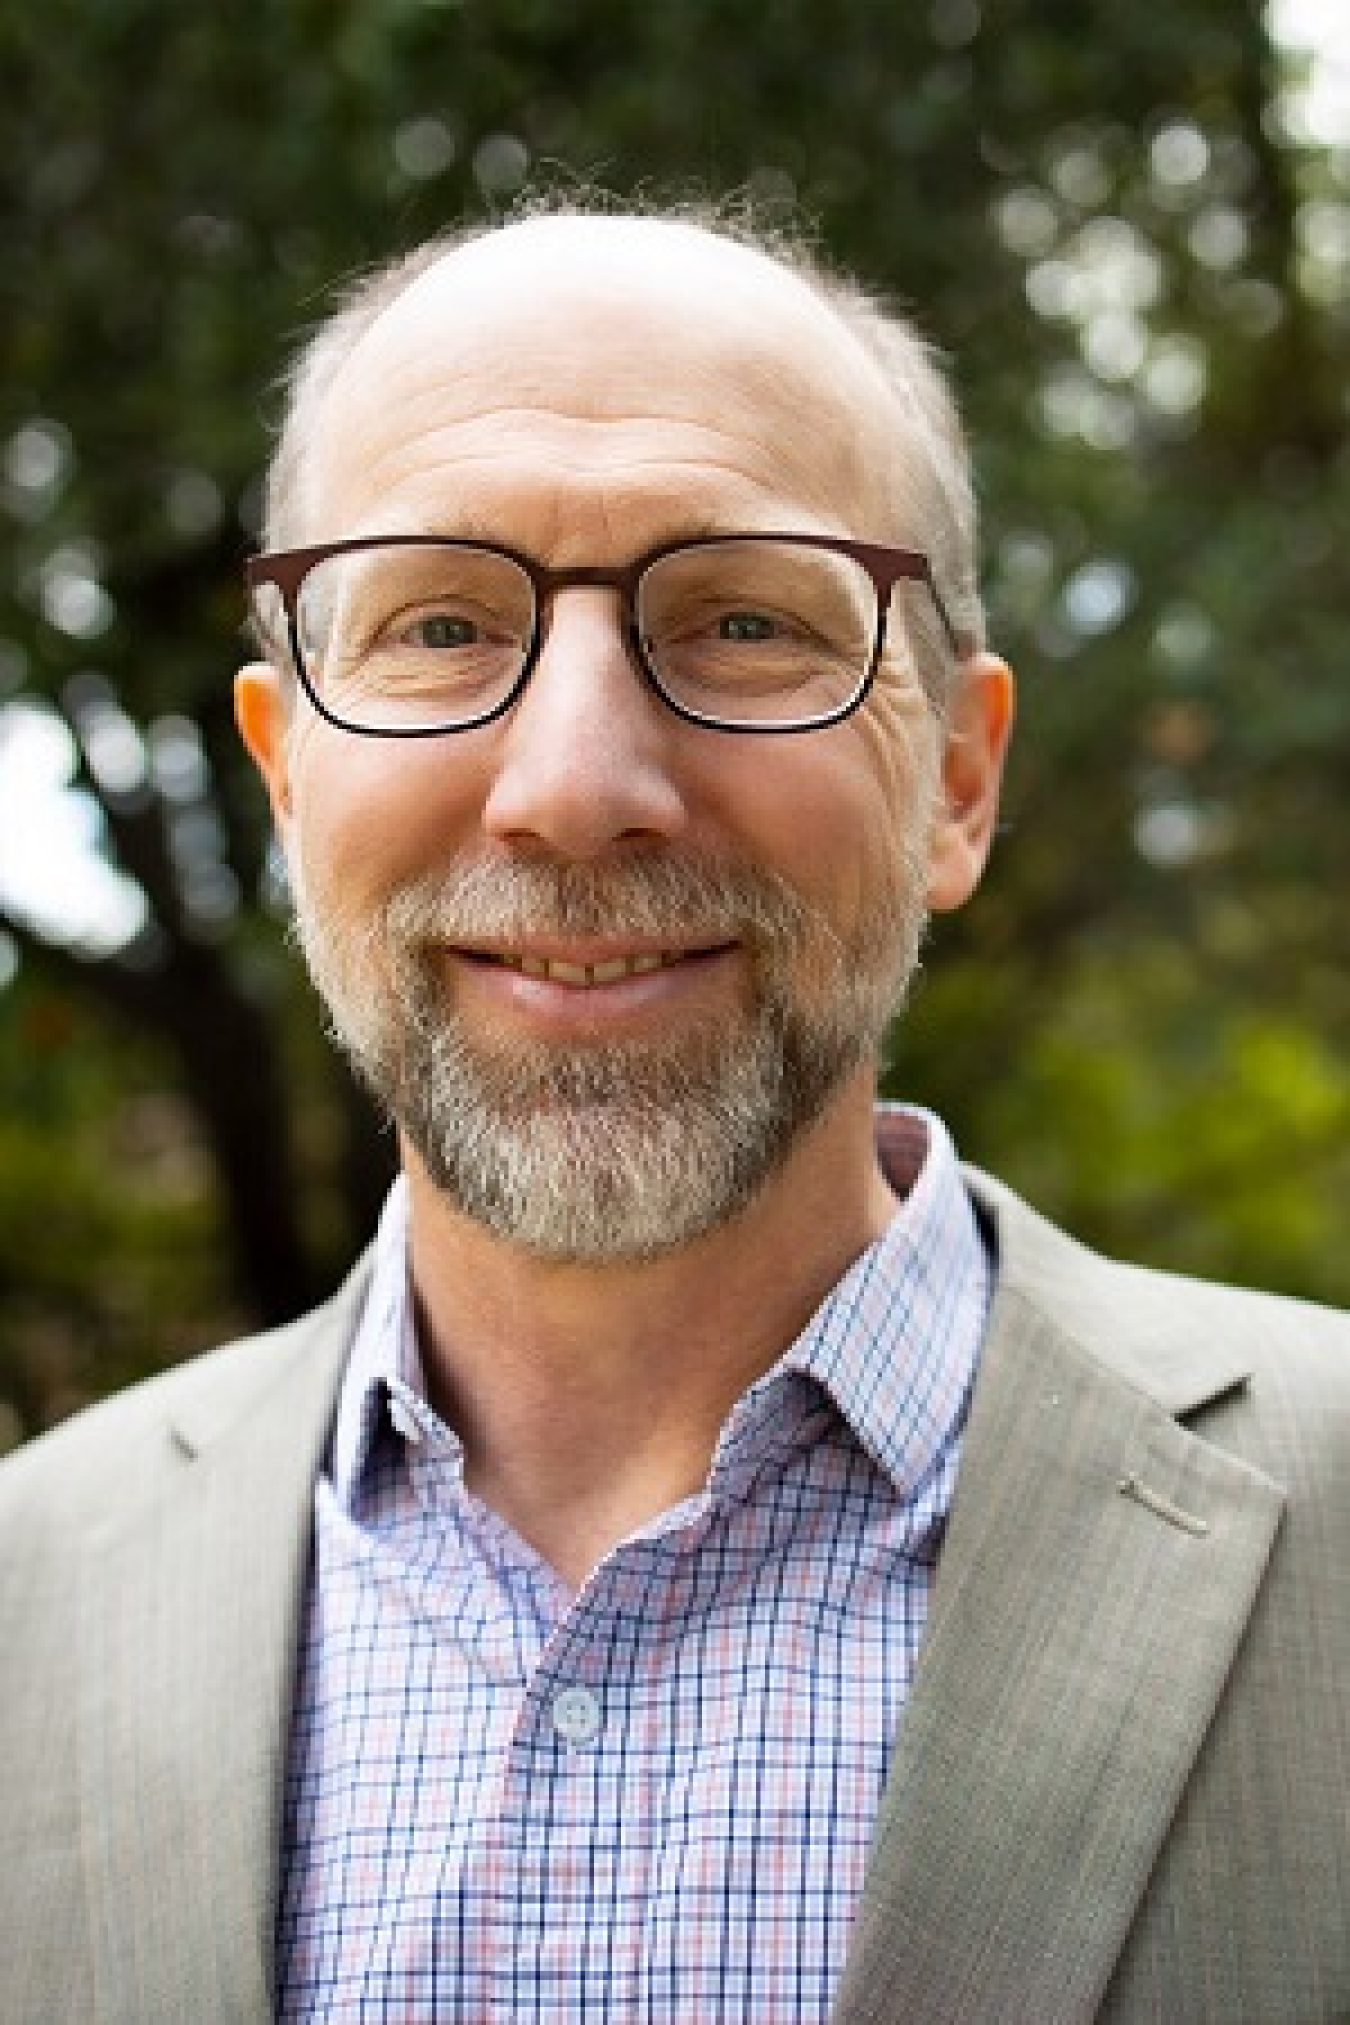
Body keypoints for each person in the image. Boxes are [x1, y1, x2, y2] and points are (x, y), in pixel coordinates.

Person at [1, 197, 1347, 2025]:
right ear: (284, 775)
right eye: (441, 621)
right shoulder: (28, 1593)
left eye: (735, 619)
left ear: (954, 777)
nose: (571, 785)